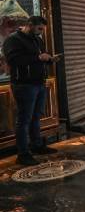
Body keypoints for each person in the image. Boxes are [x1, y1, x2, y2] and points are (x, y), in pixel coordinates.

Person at [2, 16, 60, 165]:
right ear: (29, 25)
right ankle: (23, 154)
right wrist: (39, 57)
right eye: (39, 28)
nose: (41, 32)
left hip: (39, 83)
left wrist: (49, 59)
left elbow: (40, 57)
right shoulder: (13, 40)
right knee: (24, 119)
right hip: (24, 85)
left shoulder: (36, 39)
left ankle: (37, 145)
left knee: (36, 117)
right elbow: (14, 60)